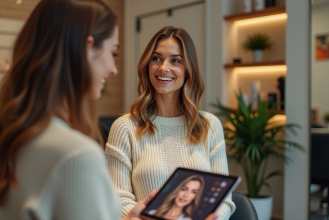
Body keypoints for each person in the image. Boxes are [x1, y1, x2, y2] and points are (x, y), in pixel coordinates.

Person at [0, 0, 158, 219]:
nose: (113, 70)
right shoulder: (76, 156)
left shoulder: (16, 135)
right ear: (88, 47)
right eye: (113, 53)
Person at [106, 26, 235, 220]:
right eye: (156, 58)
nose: (163, 67)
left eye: (175, 61)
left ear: (188, 70)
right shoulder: (124, 128)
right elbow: (118, 199)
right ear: (147, 64)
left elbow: (224, 199)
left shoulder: (210, 125)